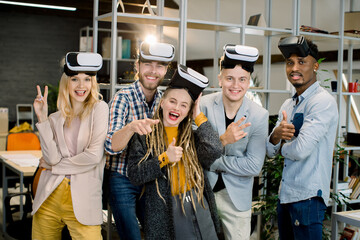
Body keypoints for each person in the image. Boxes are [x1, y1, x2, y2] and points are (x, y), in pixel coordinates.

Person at [127, 64, 222, 240]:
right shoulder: (144, 136)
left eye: (184, 105)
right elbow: (134, 174)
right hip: (166, 211)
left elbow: (215, 149)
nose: (177, 108)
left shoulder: (192, 137)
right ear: (162, 102)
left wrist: (198, 114)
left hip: (198, 204)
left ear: (188, 112)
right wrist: (163, 158)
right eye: (172, 101)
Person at [266, 35, 338, 240]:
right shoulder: (288, 105)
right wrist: (276, 137)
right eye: (290, 63)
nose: (294, 68)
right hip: (286, 195)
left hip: (308, 197)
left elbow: (300, 150)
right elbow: (270, 152)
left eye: (301, 62)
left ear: (315, 66)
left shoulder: (322, 102)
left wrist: (281, 144)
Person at [32, 52, 109, 239]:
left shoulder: (100, 109)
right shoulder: (54, 118)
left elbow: (92, 157)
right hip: (49, 196)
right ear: (66, 82)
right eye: (75, 79)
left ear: (93, 83)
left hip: (84, 198)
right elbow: (51, 158)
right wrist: (42, 118)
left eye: (87, 79)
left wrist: (54, 167)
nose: (81, 86)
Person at [104, 41, 175, 239]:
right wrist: (131, 127)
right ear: (137, 66)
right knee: (132, 236)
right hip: (122, 178)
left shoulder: (164, 101)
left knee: (158, 233)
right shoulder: (123, 98)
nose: (153, 71)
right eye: (147, 64)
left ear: (166, 70)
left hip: (151, 177)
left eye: (160, 65)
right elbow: (110, 146)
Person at [200, 44, 269, 240]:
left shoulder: (259, 115)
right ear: (220, 79)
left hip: (237, 197)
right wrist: (222, 140)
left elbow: (254, 166)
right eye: (229, 78)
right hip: (202, 193)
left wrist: (213, 162)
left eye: (242, 80)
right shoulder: (203, 105)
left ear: (248, 83)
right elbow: (194, 152)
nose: (235, 85)